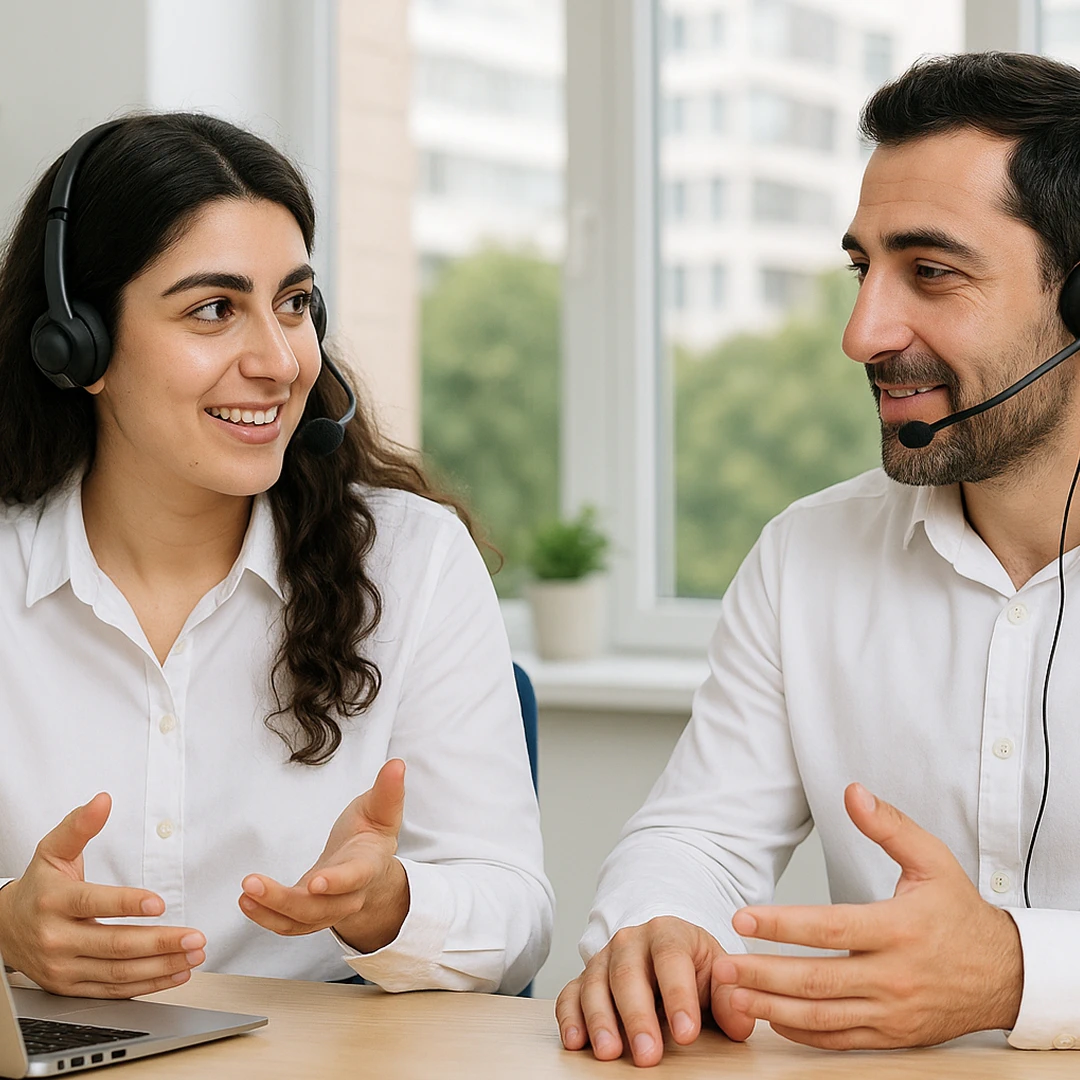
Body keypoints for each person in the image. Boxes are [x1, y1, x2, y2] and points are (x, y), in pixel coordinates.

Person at [556, 51, 1080, 1064]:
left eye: (930, 271)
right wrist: (658, 932)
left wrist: (1019, 973)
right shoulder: (810, 552)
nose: (863, 333)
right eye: (862, 268)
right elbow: (697, 837)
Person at [0, 113, 552, 999]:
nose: (280, 361)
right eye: (214, 309)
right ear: (79, 346)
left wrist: (388, 905)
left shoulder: (413, 564)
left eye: (293, 304)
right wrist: (7, 926)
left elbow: (515, 920)